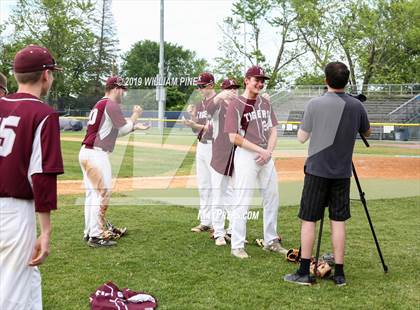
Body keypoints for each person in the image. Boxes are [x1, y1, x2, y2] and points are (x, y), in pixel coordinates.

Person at [284, 61, 371, 286]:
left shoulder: (315, 104)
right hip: (342, 173)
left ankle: (304, 272)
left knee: (309, 220)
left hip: (316, 170)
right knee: (338, 221)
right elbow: (367, 132)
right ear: (347, 81)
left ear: (326, 80)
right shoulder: (356, 106)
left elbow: (302, 137)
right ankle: (339, 274)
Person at [0, 44, 64, 309]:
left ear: (15, 75)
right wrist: (46, 231)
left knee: (28, 281)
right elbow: (41, 176)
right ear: (46, 75)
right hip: (14, 212)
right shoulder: (44, 114)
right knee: (12, 289)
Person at [224, 65, 286, 259]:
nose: (260, 83)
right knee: (242, 200)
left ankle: (271, 241)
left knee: (272, 196)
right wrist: (261, 150)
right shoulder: (236, 104)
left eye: (262, 81)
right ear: (246, 80)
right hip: (246, 155)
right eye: (256, 79)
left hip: (266, 154)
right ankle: (237, 245)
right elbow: (233, 137)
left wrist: (268, 151)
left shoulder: (265, 103)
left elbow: (274, 130)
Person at [79, 76, 149, 247]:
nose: (123, 93)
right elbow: (123, 128)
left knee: (92, 195)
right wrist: (135, 115)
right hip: (96, 154)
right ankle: (95, 235)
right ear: (116, 88)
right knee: (100, 195)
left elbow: (115, 131)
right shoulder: (110, 104)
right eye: (122, 90)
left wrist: (134, 126)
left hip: (87, 152)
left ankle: (89, 232)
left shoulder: (100, 103)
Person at [206, 79, 239, 246]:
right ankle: (218, 232)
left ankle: (233, 230)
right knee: (218, 195)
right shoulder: (218, 105)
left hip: (237, 156)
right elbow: (208, 109)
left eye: (235, 88)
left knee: (235, 196)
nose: (233, 91)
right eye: (229, 88)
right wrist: (219, 97)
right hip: (219, 156)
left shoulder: (240, 106)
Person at [183, 72, 216, 233]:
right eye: (198, 86)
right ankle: (205, 221)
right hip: (202, 146)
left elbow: (213, 128)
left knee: (217, 185)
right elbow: (197, 129)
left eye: (202, 86)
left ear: (211, 85)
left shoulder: (218, 102)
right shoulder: (200, 104)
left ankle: (219, 224)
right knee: (204, 185)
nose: (200, 89)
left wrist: (194, 124)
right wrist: (192, 118)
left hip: (215, 146)